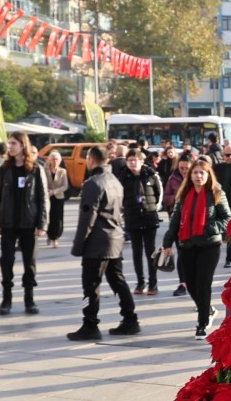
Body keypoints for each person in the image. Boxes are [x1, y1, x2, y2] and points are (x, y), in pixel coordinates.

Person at [67, 146, 139, 341]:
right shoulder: (115, 181)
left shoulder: (93, 183)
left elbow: (87, 217)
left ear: (91, 159)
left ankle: (90, 324)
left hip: (97, 243)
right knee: (118, 282)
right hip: (114, 239)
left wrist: (78, 245)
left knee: (90, 286)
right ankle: (130, 318)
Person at [159, 157, 231, 340]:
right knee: (190, 284)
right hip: (187, 245)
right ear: (190, 175)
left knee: (203, 283)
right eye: (195, 172)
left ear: (208, 175)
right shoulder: (183, 195)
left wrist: (210, 228)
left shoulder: (217, 193)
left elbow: (227, 218)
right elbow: (175, 221)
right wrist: (167, 244)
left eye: (202, 172)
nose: (198, 176)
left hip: (209, 245)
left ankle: (202, 323)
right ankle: (207, 309)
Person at [0, 132, 48, 316]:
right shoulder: (4, 168)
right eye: (9, 143)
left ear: (22, 145)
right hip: (8, 223)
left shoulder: (35, 169)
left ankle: (29, 299)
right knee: (6, 261)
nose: (10, 146)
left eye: (13, 143)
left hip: (28, 223)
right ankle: (6, 299)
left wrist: (42, 223)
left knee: (29, 263)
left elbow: (42, 197)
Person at [120, 149, 163, 295]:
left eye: (135, 160)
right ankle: (140, 282)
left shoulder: (151, 174)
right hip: (132, 218)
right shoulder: (123, 177)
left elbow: (159, 193)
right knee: (136, 252)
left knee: (150, 252)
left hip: (149, 217)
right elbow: (120, 196)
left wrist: (154, 207)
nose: (132, 163)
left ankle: (153, 283)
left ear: (141, 161)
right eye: (129, 160)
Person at [161, 150, 194, 298]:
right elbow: (165, 198)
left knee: (194, 254)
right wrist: (177, 197)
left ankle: (194, 281)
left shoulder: (198, 177)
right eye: (182, 168)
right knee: (181, 252)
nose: (184, 171)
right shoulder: (173, 178)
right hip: (178, 221)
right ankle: (183, 283)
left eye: (187, 168)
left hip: (195, 222)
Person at [44, 150, 69, 248]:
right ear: (49, 160)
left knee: (58, 218)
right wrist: (47, 191)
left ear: (60, 160)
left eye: (56, 159)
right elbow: (42, 183)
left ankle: (56, 237)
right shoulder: (44, 170)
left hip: (58, 197)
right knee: (48, 217)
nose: (54, 161)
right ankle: (50, 235)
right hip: (47, 196)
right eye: (53, 159)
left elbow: (65, 186)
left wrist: (54, 192)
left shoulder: (63, 171)